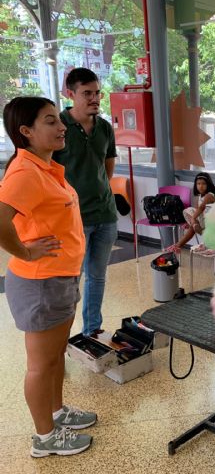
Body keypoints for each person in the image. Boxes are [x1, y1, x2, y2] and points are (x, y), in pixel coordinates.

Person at [0, 97, 95, 457]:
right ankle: (45, 438)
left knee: (55, 356)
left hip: (59, 278)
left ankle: (57, 413)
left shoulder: (44, 167)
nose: (61, 127)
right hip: (40, 282)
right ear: (26, 132)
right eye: (51, 122)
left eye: (59, 120)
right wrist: (24, 251)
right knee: (41, 364)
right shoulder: (25, 172)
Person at [53, 67, 118, 338]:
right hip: (73, 220)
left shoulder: (104, 127)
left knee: (97, 277)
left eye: (97, 92)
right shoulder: (57, 128)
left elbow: (108, 167)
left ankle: (91, 331)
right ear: (70, 94)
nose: (95, 98)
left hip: (106, 216)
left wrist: (98, 192)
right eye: (87, 93)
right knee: (70, 282)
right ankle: (59, 339)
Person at [166, 172, 215, 254]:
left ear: (209, 185)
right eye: (198, 183)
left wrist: (193, 218)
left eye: (204, 184)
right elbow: (197, 209)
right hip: (203, 221)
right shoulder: (200, 196)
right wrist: (191, 221)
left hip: (211, 222)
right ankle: (178, 245)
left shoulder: (209, 196)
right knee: (190, 218)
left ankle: (178, 245)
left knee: (188, 211)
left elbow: (201, 208)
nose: (200, 186)